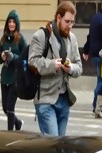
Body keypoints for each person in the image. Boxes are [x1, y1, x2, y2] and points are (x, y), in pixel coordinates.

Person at [28, 1, 82, 137]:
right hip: (46, 99)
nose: (70, 26)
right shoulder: (41, 35)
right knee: (53, 143)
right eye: (67, 21)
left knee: (60, 144)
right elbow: (32, 61)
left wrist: (70, 68)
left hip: (64, 100)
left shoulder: (72, 39)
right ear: (58, 17)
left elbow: (79, 66)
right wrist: (53, 64)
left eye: (72, 22)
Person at [81, 0, 102, 117]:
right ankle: (96, 106)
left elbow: (90, 36)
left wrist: (86, 51)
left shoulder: (95, 18)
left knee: (100, 80)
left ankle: (96, 106)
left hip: (95, 55)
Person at [0, 10, 27, 131]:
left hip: (15, 78)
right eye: (9, 22)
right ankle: (18, 123)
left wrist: (13, 57)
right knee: (5, 108)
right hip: (5, 77)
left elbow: (25, 58)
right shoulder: (3, 39)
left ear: (17, 24)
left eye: (13, 22)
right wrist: (2, 56)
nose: (11, 24)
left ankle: (10, 133)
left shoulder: (20, 39)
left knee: (10, 108)